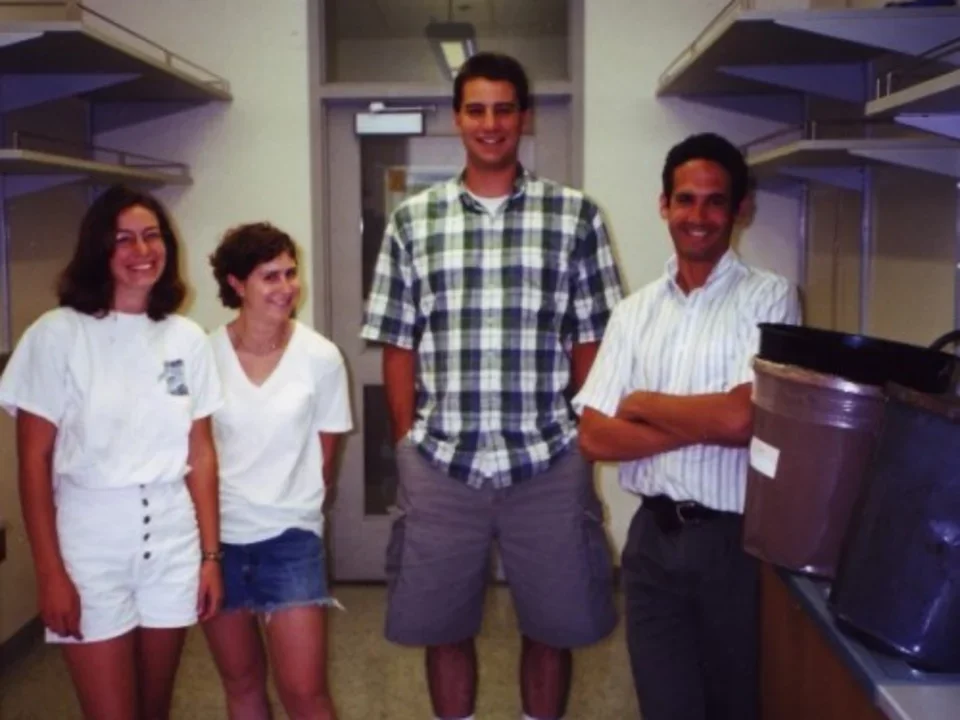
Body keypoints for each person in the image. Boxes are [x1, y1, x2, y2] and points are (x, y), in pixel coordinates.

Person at [361, 52, 624, 720]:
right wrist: (407, 444)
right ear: (458, 119)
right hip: (444, 463)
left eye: (504, 108)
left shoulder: (575, 218)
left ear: (523, 117)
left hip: (548, 459)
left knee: (554, 625)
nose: (490, 123)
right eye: (476, 109)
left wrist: (581, 435)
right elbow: (397, 342)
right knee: (444, 627)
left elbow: (594, 337)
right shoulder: (412, 222)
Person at [573, 133, 802, 720]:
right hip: (651, 544)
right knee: (665, 706)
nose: (697, 217)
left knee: (735, 705)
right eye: (685, 200)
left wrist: (644, 401)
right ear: (664, 205)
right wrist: (705, 419)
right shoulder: (633, 313)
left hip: (734, 546)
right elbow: (595, 436)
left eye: (714, 201)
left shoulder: (771, 299)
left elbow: (743, 417)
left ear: (740, 209)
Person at [0, 184, 223, 720]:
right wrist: (49, 571)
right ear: (98, 249)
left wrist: (211, 557)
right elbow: (32, 463)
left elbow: (202, 451)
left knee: (154, 708)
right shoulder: (57, 335)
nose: (141, 250)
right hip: (91, 540)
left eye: (151, 237)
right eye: (123, 239)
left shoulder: (186, 338)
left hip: (172, 536)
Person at [202, 222, 352, 720]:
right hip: (216, 542)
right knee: (242, 685)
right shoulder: (202, 355)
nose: (287, 287)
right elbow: (193, 450)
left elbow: (325, 458)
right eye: (270, 276)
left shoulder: (321, 357)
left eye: (290, 273)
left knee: (304, 692)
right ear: (236, 283)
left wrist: (295, 507)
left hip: (291, 538)